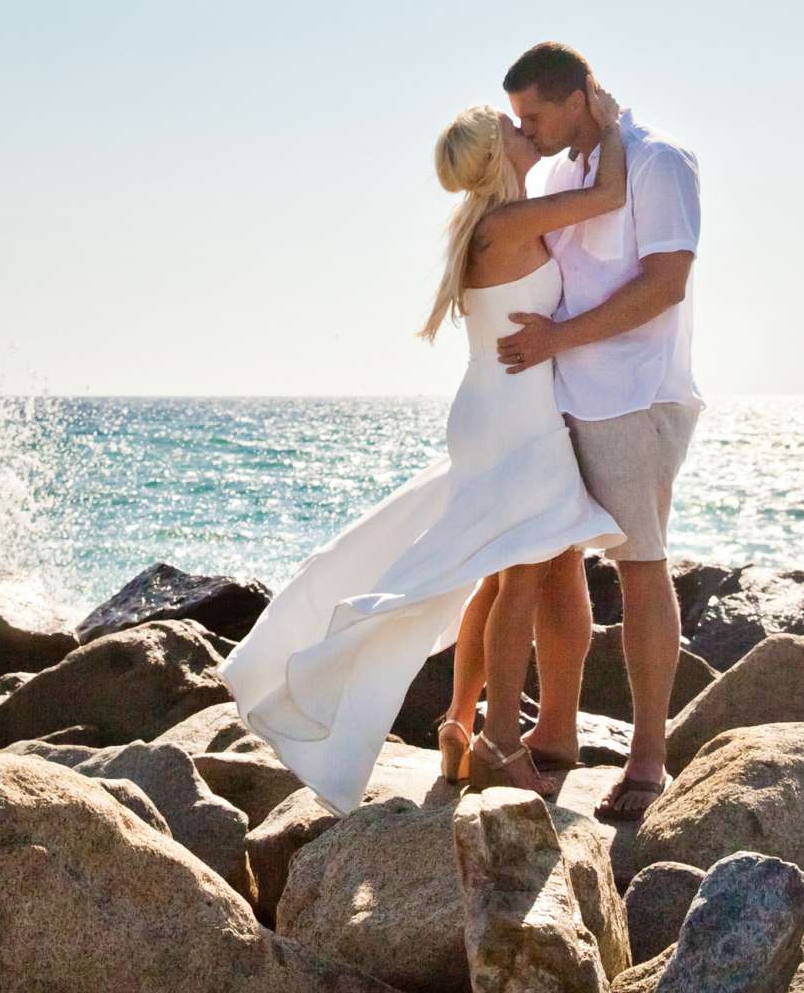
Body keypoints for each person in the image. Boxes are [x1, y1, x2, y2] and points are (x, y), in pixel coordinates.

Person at [218, 80, 631, 814]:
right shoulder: (509, 220)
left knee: (495, 572)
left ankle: (459, 725)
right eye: (511, 124)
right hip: (513, 414)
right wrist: (609, 119)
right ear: (497, 153)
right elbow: (609, 195)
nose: (522, 127)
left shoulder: (483, 223)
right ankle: (501, 743)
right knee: (523, 574)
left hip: (496, 407)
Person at [493, 41, 702, 822]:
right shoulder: (556, 174)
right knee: (552, 563)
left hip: (636, 397)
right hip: (561, 394)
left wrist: (557, 339)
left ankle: (649, 759)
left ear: (579, 96)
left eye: (535, 114)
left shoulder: (658, 161)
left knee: (640, 566)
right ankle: (556, 734)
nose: (529, 129)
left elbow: (666, 284)